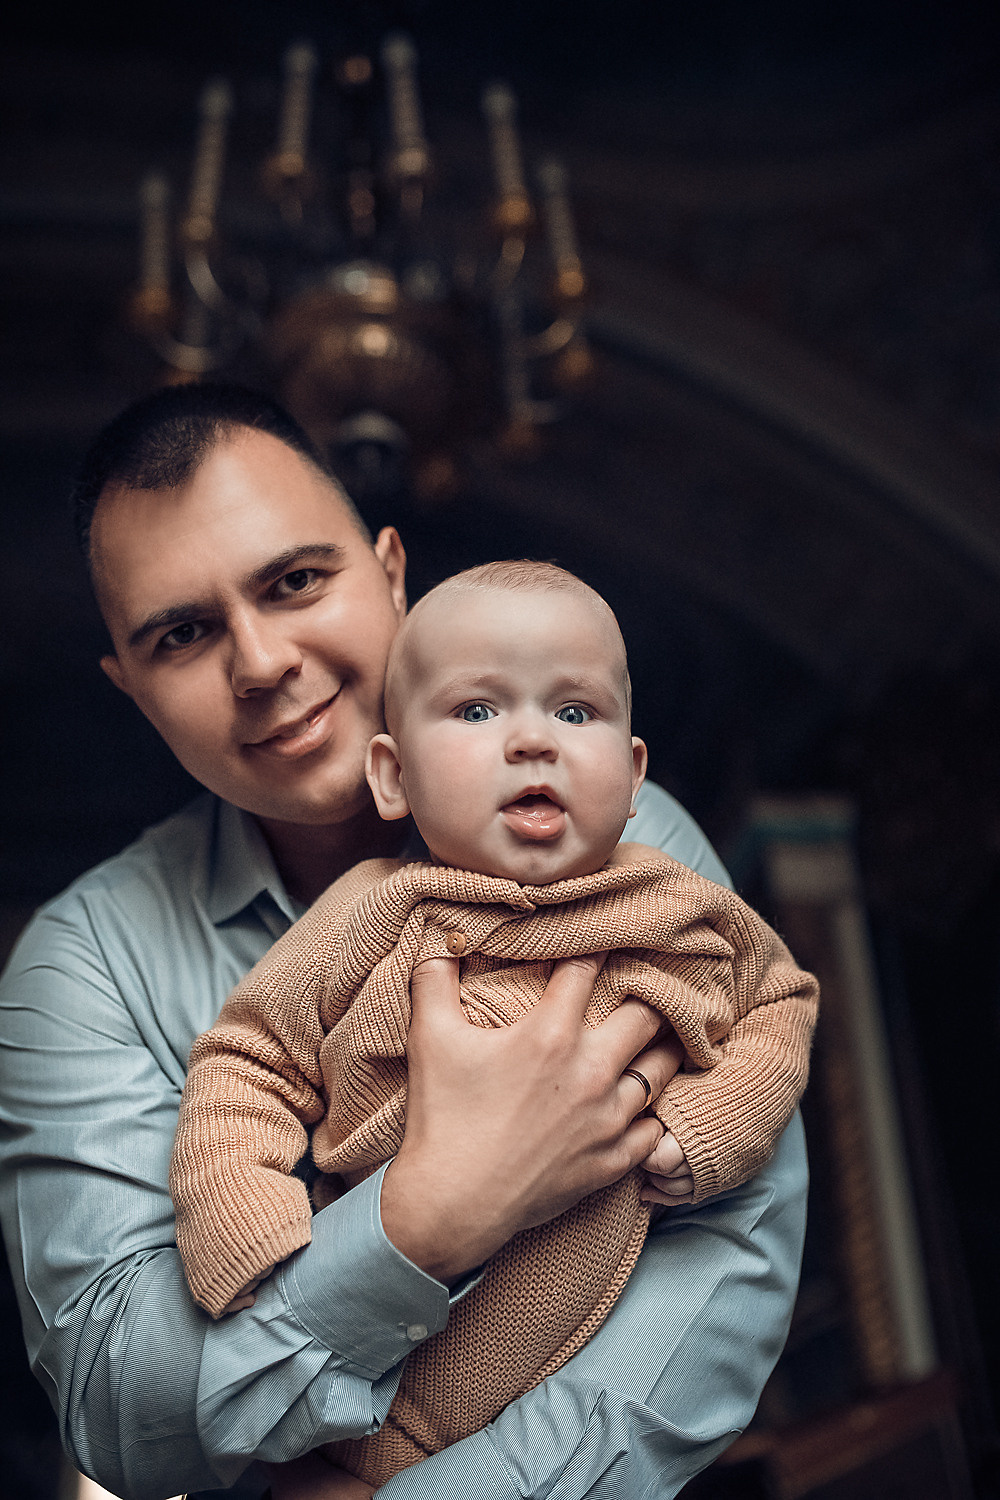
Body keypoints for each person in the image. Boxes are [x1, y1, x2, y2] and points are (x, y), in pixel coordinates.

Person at [0, 383, 809, 1500]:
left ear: (389, 571)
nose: (260, 661)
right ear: (131, 688)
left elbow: (729, 1262)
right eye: (182, 634)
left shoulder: (615, 833)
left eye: (294, 582)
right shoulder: (80, 963)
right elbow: (119, 1403)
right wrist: (423, 1220)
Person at [170, 560, 818, 1491]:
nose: (532, 743)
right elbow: (247, 1062)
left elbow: (780, 1005)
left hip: (557, 1407)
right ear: (392, 777)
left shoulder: (675, 906)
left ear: (634, 776)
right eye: (478, 711)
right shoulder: (375, 914)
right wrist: (252, 1231)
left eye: (575, 712)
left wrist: (713, 1121)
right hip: (364, 1391)